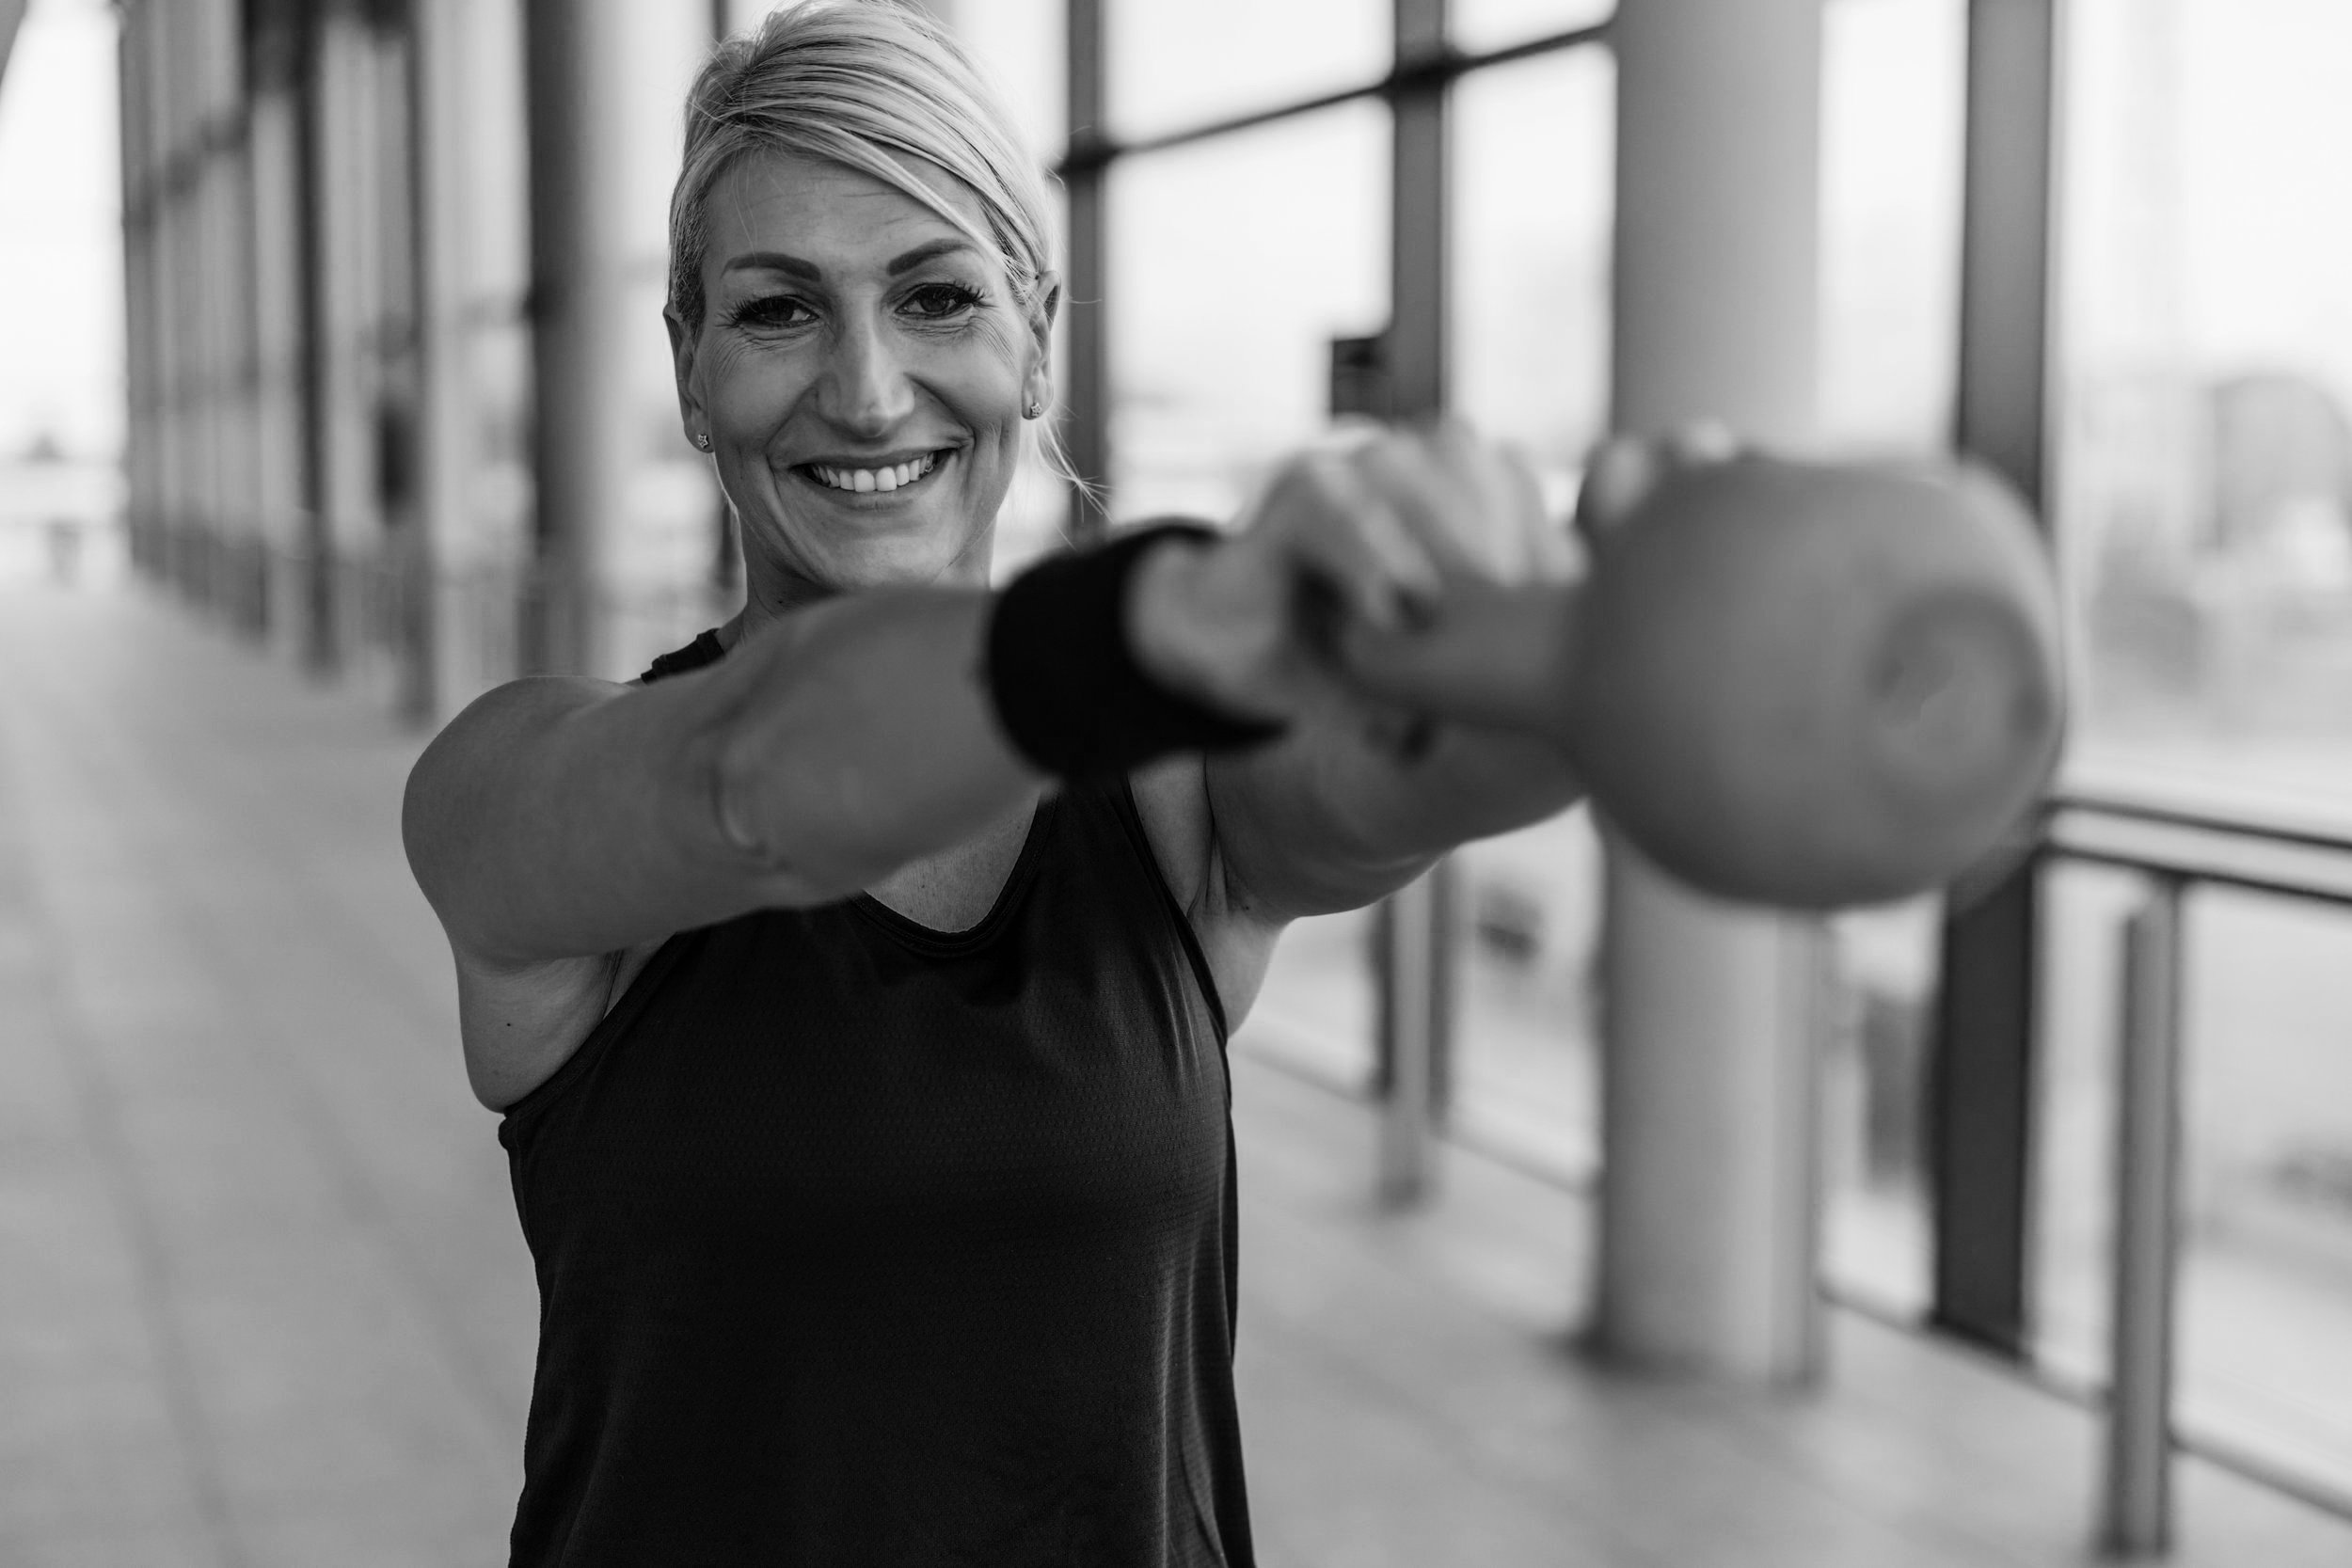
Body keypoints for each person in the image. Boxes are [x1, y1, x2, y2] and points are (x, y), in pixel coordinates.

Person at [401, 3, 1597, 1561]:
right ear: (690, 370)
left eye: (936, 296)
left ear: (1035, 340)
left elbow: (1420, 778)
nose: (868, 391)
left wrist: (1613, 644)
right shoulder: (521, 788)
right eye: (779, 311)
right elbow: (759, 776)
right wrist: (1160, 621)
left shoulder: (1169, 799)